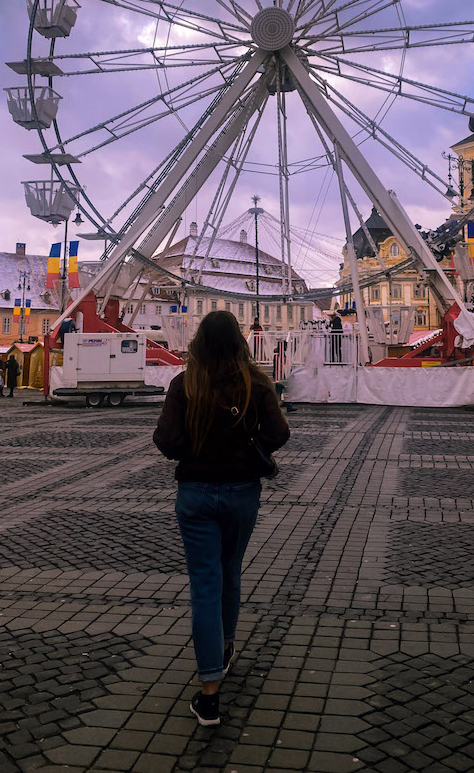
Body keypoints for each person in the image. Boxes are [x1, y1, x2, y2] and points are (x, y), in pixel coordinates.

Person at [153, 310, 289, 727]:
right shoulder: (257, 382)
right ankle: (226, 647)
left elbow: (166, 439)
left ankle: (209, 690)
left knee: (205, 586)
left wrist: (193, 453)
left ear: (198, 342)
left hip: (195, 493)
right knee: (230, 573)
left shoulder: (184, 384)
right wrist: (248, 455)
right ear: (238, 341)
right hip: (241, 492)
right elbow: (279, 434)